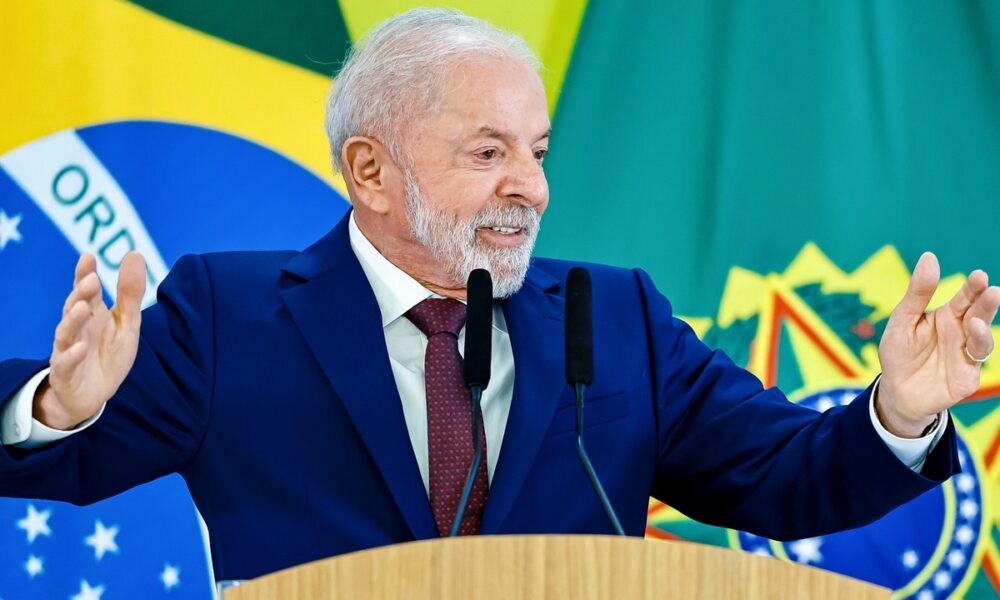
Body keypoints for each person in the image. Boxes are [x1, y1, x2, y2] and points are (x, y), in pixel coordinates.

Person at [1, 8, 997, 583]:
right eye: (488, 154)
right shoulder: (232, 316)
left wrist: (901, 414)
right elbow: (56, 462)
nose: (532, 188)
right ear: (370, 171)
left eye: (538, 151)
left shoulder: (613, 319)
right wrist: (57, 406)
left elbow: (787, 480)